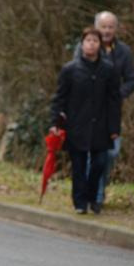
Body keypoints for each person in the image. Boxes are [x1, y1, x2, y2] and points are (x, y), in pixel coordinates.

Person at [51, 27, 121, 214]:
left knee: (100, 163)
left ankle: (92, 196)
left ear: (100, 45)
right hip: (76, 126)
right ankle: (80, 202)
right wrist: (55, 123)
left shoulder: (108, 70)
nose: (91, 44)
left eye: (95, 41)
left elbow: (114, 101)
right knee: (79, 166)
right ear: (82, 44)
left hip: (101, 126)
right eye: (88, 40)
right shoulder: (70, 70)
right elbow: (59, 99)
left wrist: (114, 128)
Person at [90, 11, 134, 209]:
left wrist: (118, 95)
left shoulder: (124, 52)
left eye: (110, 27)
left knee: (110, 153)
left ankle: (97, 190)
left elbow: (132, 80)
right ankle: (95, 196)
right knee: (91, 153)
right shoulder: (88, 47)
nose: (107, 31)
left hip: (111, 112)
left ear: (116, 29)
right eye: (103, 27)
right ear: (96, 28)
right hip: (89, 110)